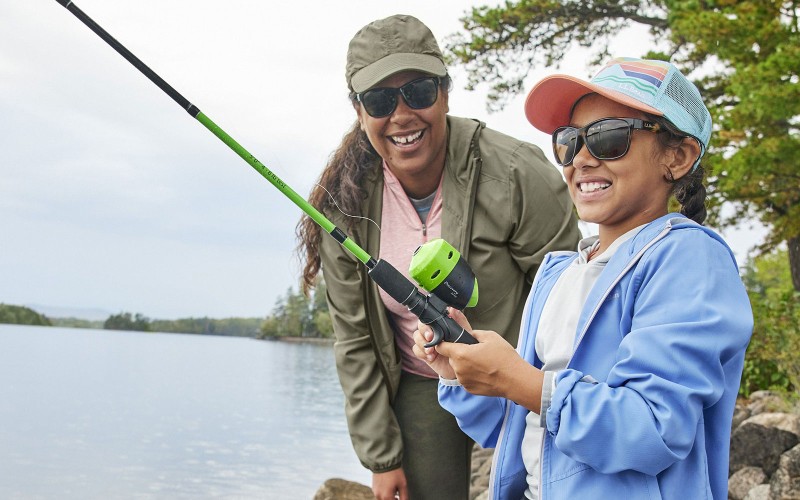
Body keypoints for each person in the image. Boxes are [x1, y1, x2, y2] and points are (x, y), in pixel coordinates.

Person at [414, 57, 754, 499]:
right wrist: (462, 371)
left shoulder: (688, 258)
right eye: (570, 141)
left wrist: (523, 382)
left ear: (678, 156)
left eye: (610, 138)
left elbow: (653, 428)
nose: (582, 159)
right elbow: (518, 425)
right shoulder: (558, 272)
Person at [296, 14, 580, 500]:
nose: (402, 115)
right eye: (381, 100)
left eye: (420, 92)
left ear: (445, 94)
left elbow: (573, 300)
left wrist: (544, 394)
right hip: (423, 380)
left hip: (521, 372)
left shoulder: (516, 172)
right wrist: (382, 458)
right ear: (359, 111)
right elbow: (356, 341)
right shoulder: (342, 207)